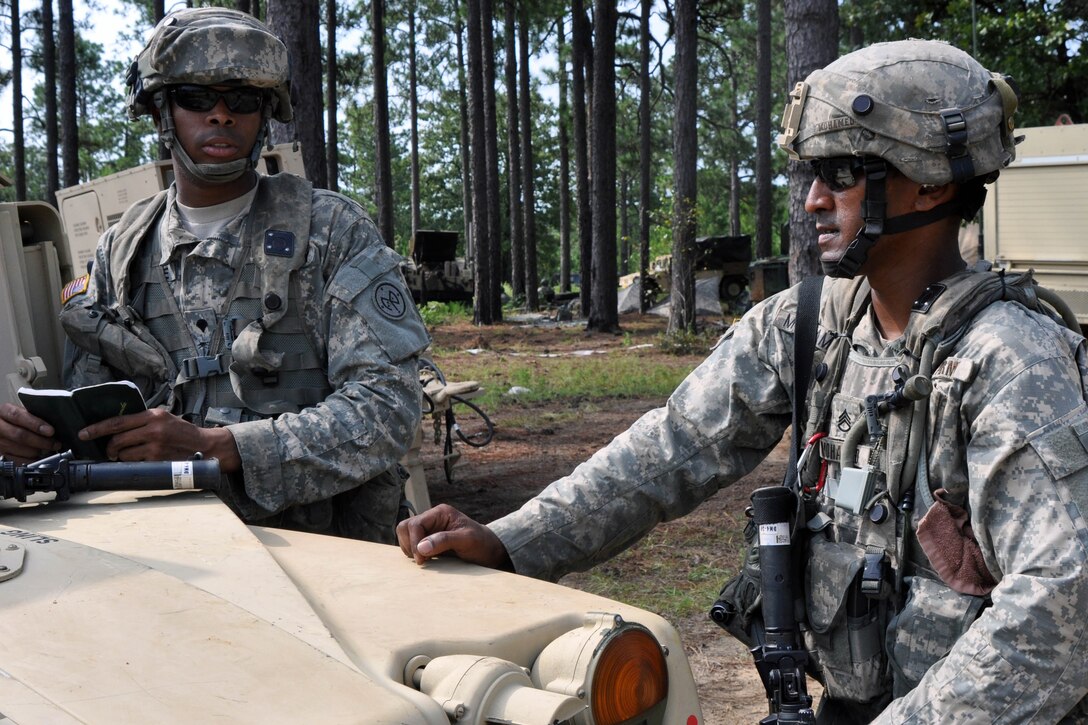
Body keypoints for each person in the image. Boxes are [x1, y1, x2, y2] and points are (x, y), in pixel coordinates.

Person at [398, 39, 1088, 721]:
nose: (815, 199)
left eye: (843, 172)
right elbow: (670, 447)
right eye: (812, 173)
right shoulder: (811, 323)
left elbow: (1061, 609)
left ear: (932, 179)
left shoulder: (1010, 358)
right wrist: (515, 539)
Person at [0, 7, 429, 544]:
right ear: (160, 110)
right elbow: (90, 421)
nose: (221, 115)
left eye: (242, 100)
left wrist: (222, 448)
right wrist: (41, 441)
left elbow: (389, 408)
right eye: (197, 99)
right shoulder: (120, 253)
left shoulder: (330, 230)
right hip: (169, 551)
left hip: (325, 555)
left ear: (264, 114)